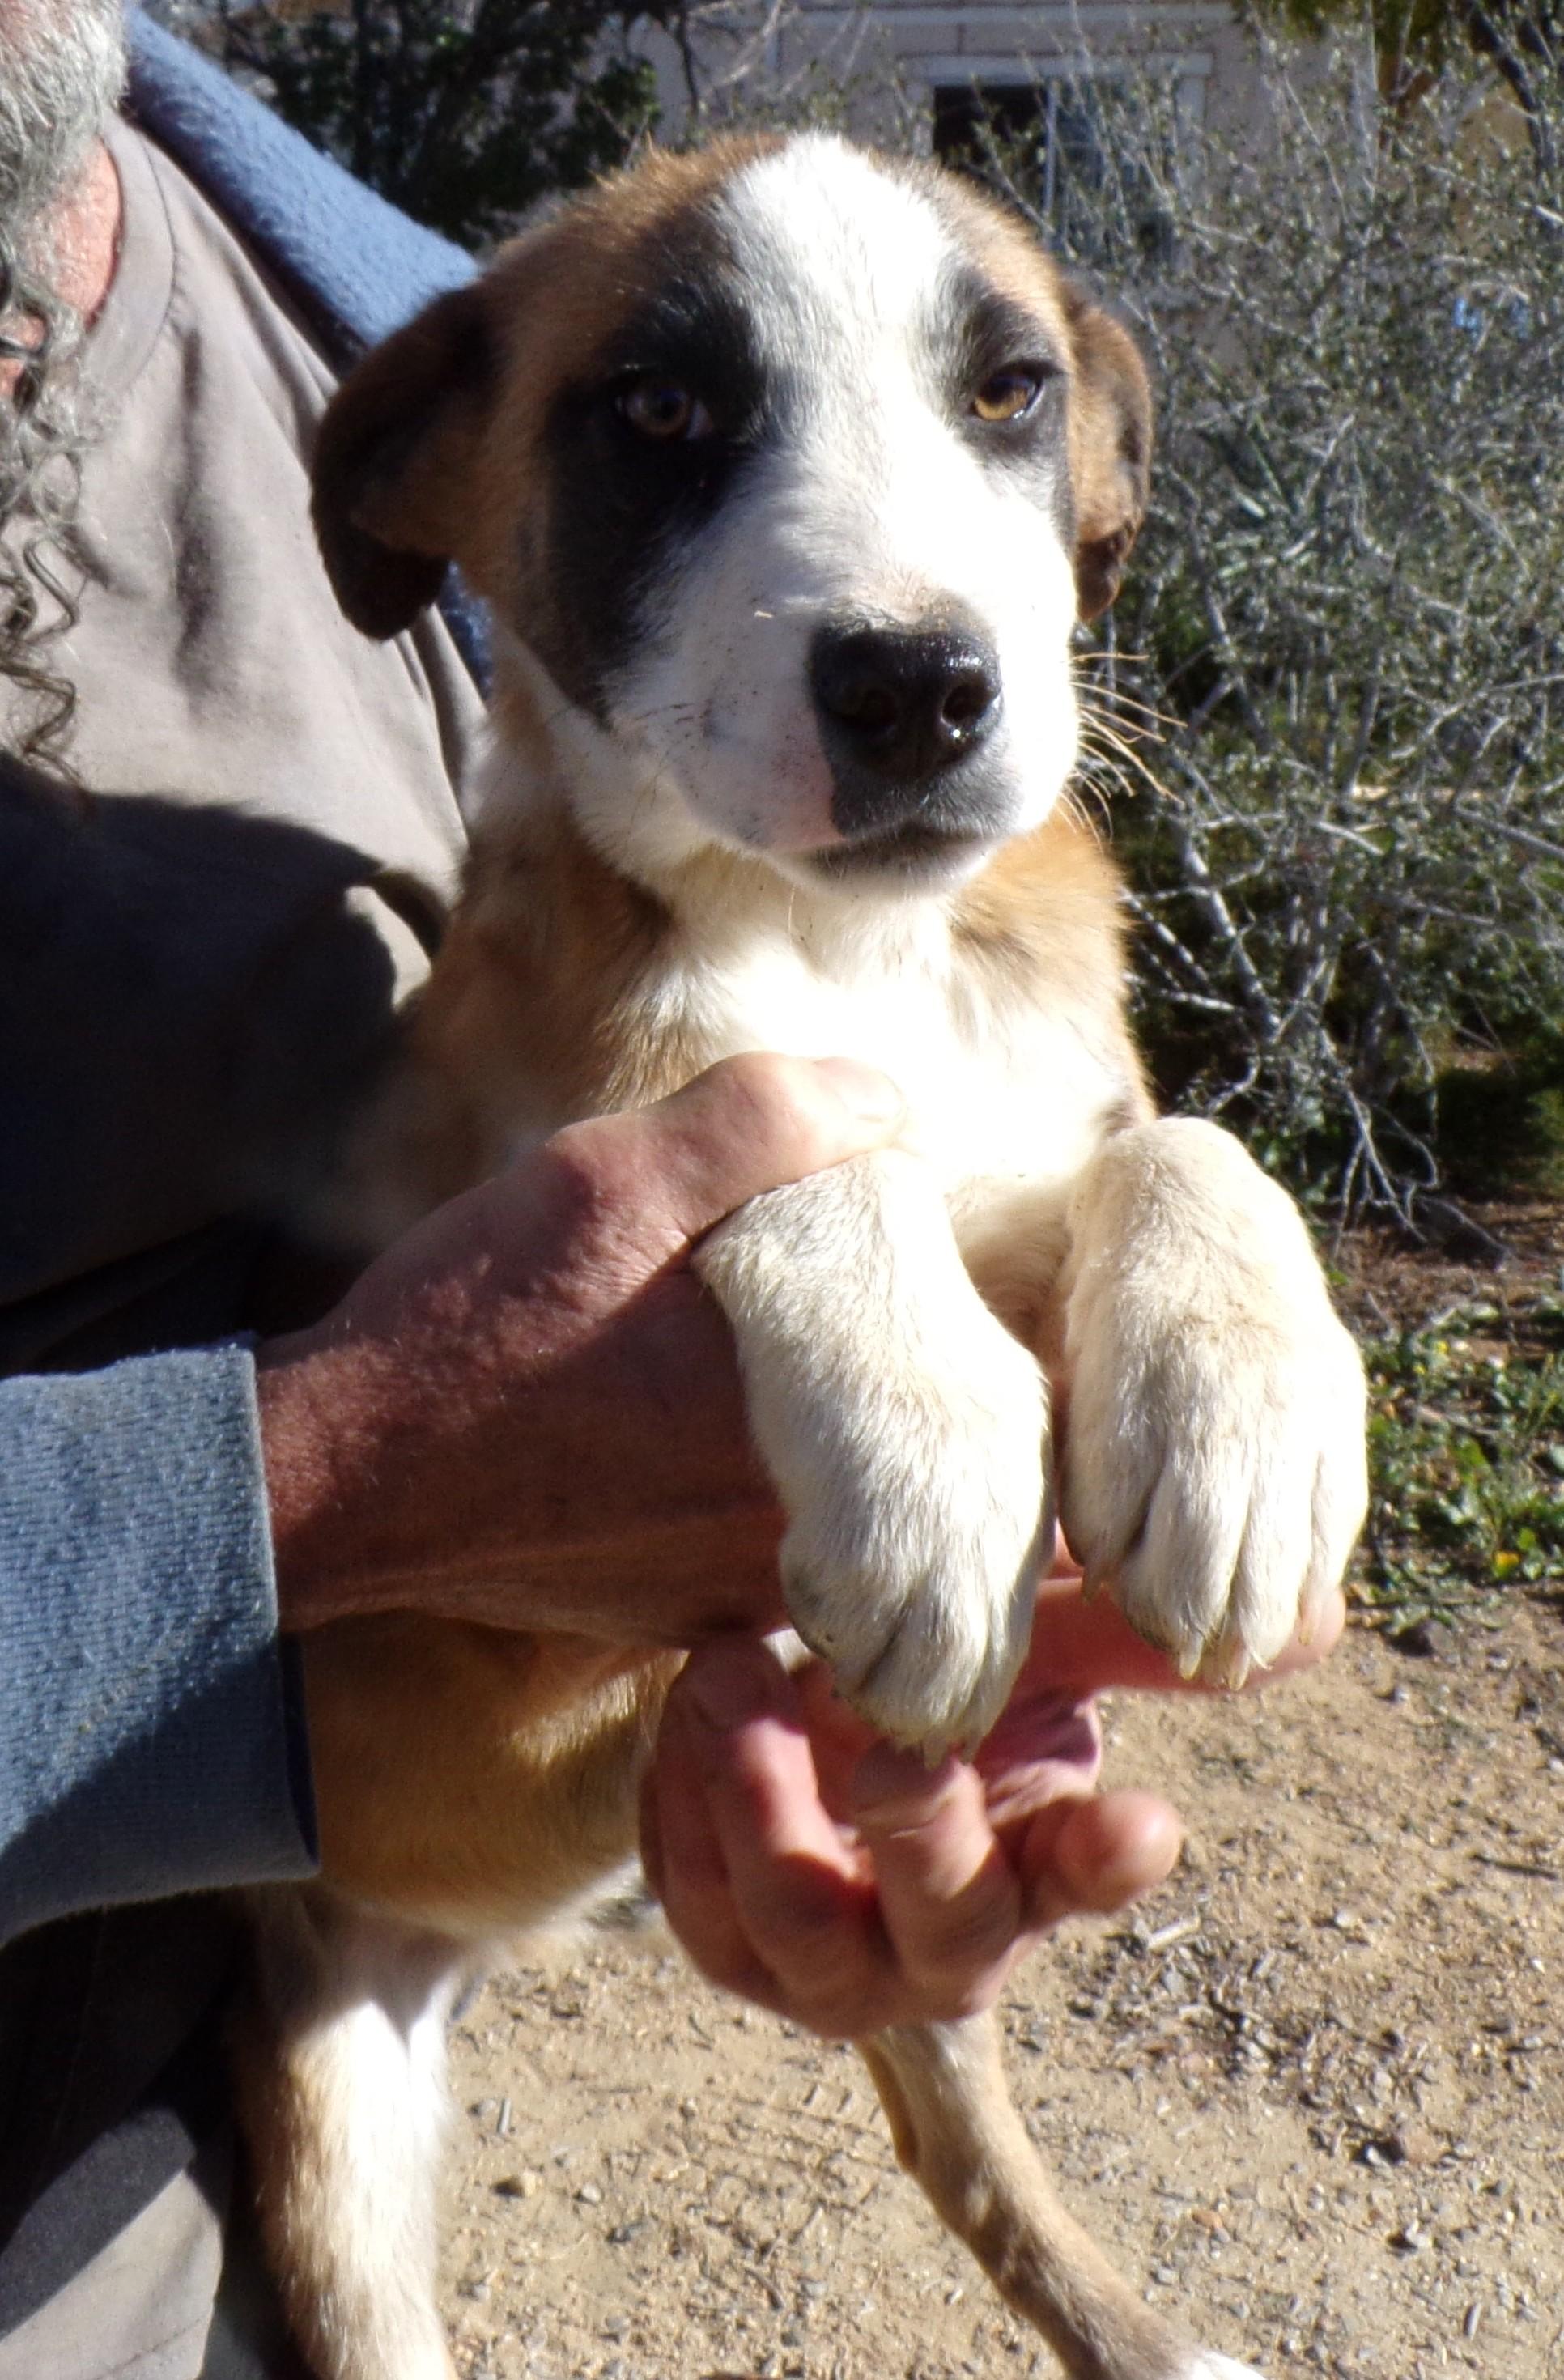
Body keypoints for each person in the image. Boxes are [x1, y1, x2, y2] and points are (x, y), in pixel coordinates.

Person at [0, 8, 1340, 2374]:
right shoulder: (484, 425)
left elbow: (1046, 1222)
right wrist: (323, 1492)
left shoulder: (344, 285)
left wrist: (1188, 1216)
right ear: (430, 497)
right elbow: (597, 1290)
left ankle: (1085, 2297)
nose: (898, 597)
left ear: (1094, 481)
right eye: (670, 432)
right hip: (202, 2001)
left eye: (999, 404)